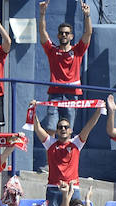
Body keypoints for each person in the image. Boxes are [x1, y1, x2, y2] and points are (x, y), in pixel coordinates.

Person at [38, 0, 93, 130]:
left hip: (72, 95)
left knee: (67, 130)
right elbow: (42, 32)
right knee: (51, 128)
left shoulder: (77, 51)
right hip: (54, 94)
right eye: (61, 33)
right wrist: (42, 14)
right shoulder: (52, 50)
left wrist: (87, 16)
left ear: (71, 36)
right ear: (58, 35)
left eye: (67, 33)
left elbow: (88, 33)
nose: (64, 35)